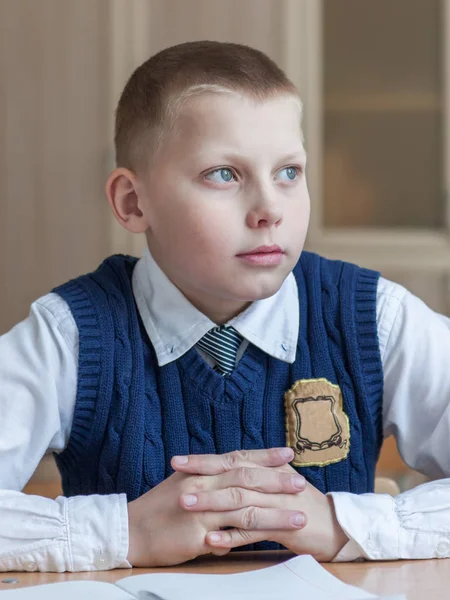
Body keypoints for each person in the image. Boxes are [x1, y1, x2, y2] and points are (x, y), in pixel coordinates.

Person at [1, 40, 450, 573]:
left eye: (288, 172)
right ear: (132, 202)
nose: (269, 210)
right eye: (224, 174)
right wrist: (126, 532)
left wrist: (340, 523)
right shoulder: (70, 334)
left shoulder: (375, 318)